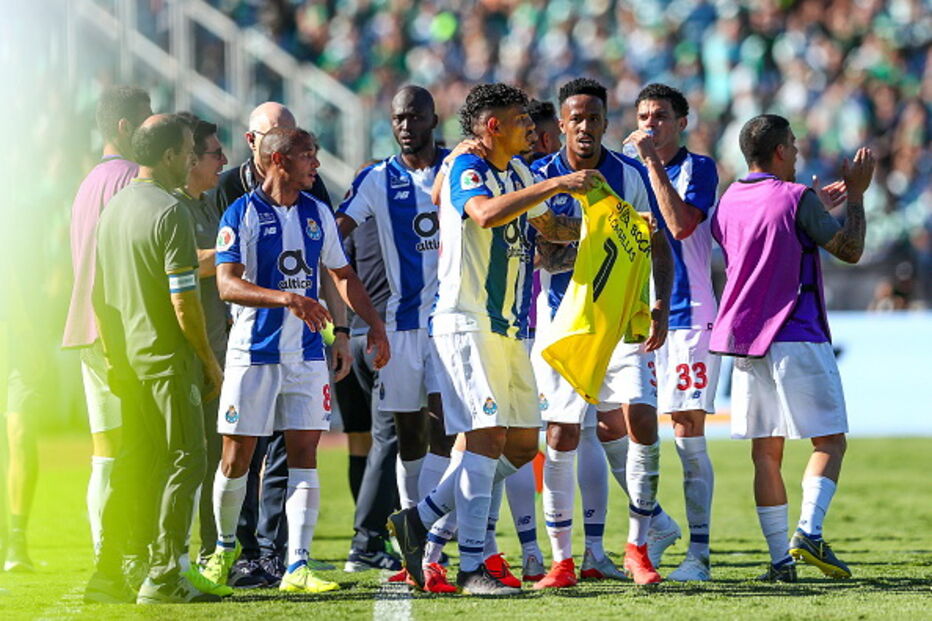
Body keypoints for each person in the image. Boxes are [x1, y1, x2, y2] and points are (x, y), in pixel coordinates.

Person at [389, 82, 601, 595]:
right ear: (493, 127)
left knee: (524, 442)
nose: (531, 129)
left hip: (510, 328)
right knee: (485, 440)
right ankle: (471, 567)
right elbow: (482, 213)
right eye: (522, 121)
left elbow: (548, 235)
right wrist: (558, 185)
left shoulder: (520, 172)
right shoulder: (469, 168)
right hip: (467, 322)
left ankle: (421, 519)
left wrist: (608, 231)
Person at [203, 127, 390, 595]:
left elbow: (341, 275)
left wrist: (366, 327)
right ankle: (225, 551)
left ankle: (298, 565)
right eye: (309, 156)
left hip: (307, 355)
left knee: (304, 456)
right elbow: (227, 284)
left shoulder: (317, 214)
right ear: (280, 160)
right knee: (237, 456)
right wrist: (288, 298)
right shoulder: (241, 212)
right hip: (254, 353)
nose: (317, 165)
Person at [711, 114, 873, 582]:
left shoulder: (729, 200)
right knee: (829, 440)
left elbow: (761, 237)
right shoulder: (796, 197)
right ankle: (809, 531)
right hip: (795, 330)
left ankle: (780, 563)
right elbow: (850, 249)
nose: (799, 154)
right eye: (795, 147)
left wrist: (812, 210)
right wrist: (856, 197)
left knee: (766, 452)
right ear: (781, 151)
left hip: (744, 339)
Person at [531, 78, 674, 587]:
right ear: (562, 125)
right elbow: (542, 250)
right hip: (566, 321)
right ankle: (562, 560)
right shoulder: (543, 176)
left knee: (643, 421)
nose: (586, 128)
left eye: (595, 118)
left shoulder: (628, 174)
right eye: (577, 119)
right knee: (561, 433)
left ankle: (638, 549)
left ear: (605, 122)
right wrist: (599, 231)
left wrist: (660, 301)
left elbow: (658, 242)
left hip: (623, 322)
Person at [87, 114, 229, 604]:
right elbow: (183, 302)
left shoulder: (114, 208)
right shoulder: (172, 213)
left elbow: (99, 297)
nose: (193, 158)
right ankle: (165, 574)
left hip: (130, 362)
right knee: (188, 460)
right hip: (168, 362)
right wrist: (209, 362)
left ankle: (109, 571)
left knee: (134, 466)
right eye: (189, 149)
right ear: (168, 154)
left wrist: (113, 359)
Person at [336, 86, 452, 582]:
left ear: (433, 119)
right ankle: (412, 541)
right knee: (408, 438)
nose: (406, 126)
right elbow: (335, 234)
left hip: (449, 325)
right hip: (398, 328)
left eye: (415, 117)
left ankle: (436, 541)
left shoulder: (459, 170)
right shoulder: (375, 179)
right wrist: (352, 313)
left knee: (447, 432)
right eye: (398, 118)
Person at [622, 83, 720, 581]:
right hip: (635, 319)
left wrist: (648, 162)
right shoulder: (625, 171)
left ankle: (699, 557)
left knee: (686, 434)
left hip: (687, 315)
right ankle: (654, 525)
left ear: (682, 122)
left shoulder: (698, 168)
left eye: (659, 116)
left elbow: (680, 225)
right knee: (613, 428)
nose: (650, 124)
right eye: (642, 116)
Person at [62, 86, 151, 564]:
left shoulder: (86, 182)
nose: (152, 125)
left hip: (86, 329)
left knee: (104, 452)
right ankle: (131, 552)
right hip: (121, 329)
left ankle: (104, 552)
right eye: (146, 118)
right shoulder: (131, 178)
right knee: (141, 449)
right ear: (124, 127)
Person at [173, 113, 230, 567]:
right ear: (190, 159)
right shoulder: (173, 207)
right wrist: (231, 254)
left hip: (218, 347)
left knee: (216, 457)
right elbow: (182, 265)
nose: (224, 161)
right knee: (186, 463)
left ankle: (215, 549)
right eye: (214, 153)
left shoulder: (208, 203)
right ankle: (172, 559)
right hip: (188, 354)